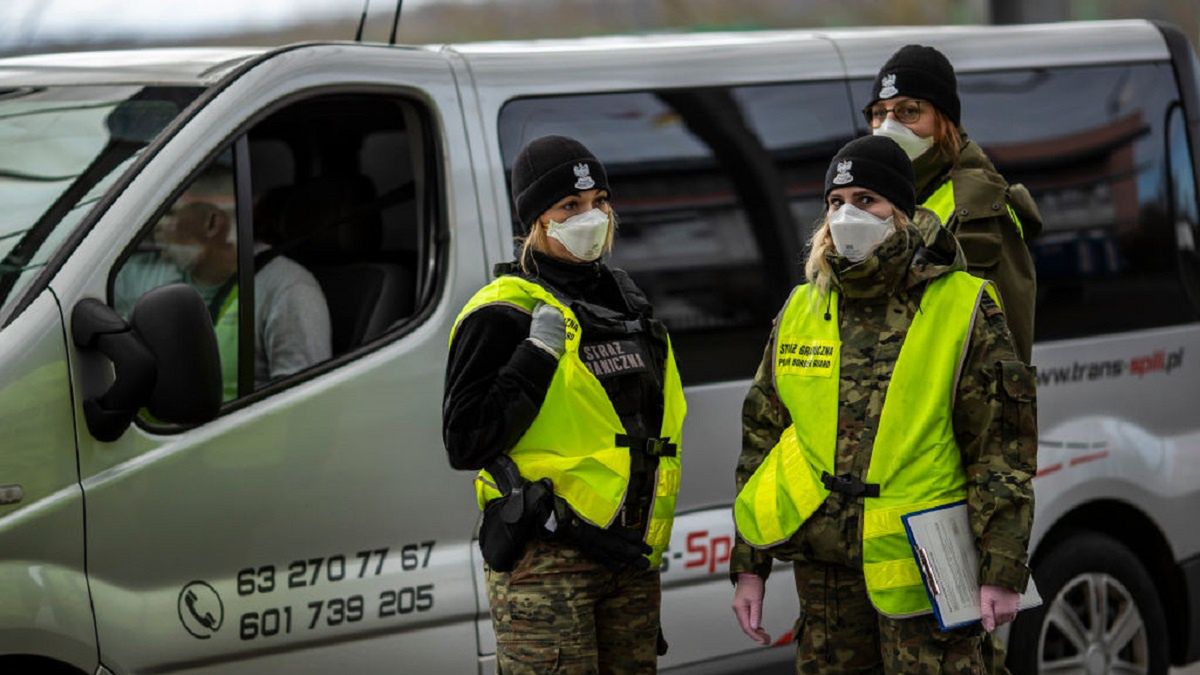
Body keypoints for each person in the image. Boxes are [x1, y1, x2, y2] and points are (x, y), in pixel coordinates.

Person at [729, 136, 1036, 674]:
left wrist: (1002, 569)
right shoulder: (803, 307)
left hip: (929, 575)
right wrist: (749, 566)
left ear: (903, 210)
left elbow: (1000, 450)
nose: (848, 214)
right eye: (836, 201)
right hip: (826, 575)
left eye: (866, 199)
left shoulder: (961, 305)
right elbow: (763, 433)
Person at [442, 135, 686, 673]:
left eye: (600, 201)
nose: (591, 217)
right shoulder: (502, 311)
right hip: (548, 559)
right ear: (537, 220)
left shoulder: (625, 301)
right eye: (569, 207)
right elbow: (465, 441)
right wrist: (535, 354)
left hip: (628, 553)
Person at [865, 44, 1042, 363]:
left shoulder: (978, 208)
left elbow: (998, 354)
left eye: (908, 111)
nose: (888, 126)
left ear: (942, 119)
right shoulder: (871, 197)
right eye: (880, 113)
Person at [117, 168, 332, 400]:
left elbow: (302, 403)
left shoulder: (288, 289)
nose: (158, 223)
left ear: (212, 223)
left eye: (170, 212)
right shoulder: (148, 275)